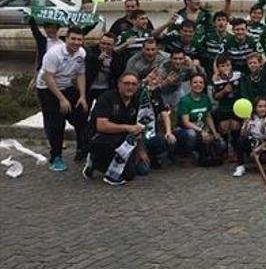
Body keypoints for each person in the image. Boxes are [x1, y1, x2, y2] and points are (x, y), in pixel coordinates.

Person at [84, 72, 170, 185]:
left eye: (134, 84)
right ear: (119, 84)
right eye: (126, 83)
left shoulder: (138, 99)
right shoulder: (107, 97)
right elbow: (102, 126)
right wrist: (128, 128)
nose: (130, 87)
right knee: (125, 172)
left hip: (125, 139)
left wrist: (140, 150)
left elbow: (140, 126)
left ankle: (110, 162)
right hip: (100, 138)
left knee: (139, 171)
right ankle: (96, 160)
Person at [36, 27, 90, 169]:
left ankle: (82, 150)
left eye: (79, 39)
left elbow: (80, 74)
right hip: (47, 88)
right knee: (57, 123)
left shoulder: (81, 53)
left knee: (81, 116)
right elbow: (48, 77)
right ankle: (56, 157)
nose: (76, 42)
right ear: (66, 39)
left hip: (66, 86)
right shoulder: (54, 54)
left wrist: (82, 96)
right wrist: (61, 99)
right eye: (73, 39)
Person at [176, 74, 224, 161]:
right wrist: (201, 131)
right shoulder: (185, 100)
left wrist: (214, 132)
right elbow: (186, 122)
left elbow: (208, 117)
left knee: (221, 144)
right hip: (187, 130)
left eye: (201, 82)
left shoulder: (206, 98)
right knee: (191, 135)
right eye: (195, 82)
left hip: (202, 129)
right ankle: (185, 154)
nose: (198, 85)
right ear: (190, 85)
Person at [233, 96, 266, 177]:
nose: (263, 109)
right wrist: (245, 124)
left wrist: (258, 150)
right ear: (255, 108)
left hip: (264, 145)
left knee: (263, 162)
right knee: (241, 140)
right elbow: (243, 134)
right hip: (252, 143)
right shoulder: (251, 118)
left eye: (265, 106)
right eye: (260, 106)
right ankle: (240, 166)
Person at [85, 32, 125, 106]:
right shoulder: (91, 52)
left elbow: (118, 75)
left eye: (108, 44)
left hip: (107, 88)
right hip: (90, 88)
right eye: (103, 43)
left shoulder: (117, 58)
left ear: (114, 46)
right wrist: (98, 60)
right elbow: (87, 72)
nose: (105, 46)